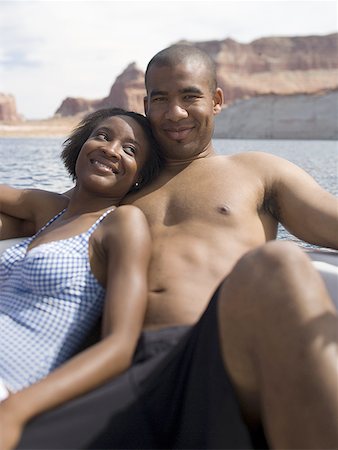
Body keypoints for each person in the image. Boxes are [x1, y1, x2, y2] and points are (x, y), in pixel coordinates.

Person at [2, 45, 338, 449]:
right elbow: (35, 218)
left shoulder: (258, 172)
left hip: (217, 353)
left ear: (216, 100)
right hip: (125, 372)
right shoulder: (119, 190)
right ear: (145, 105)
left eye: (189, 96)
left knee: (277, 264)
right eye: (160, 99)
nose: (174, 113)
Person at [0, 108, 162, 448]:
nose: (111, 149)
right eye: (102, 136)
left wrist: (16, 410)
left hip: (10, 389)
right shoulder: (49, 210)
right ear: (81, 145)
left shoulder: (121, 224)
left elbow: (119, 347)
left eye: (130, 150)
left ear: (139, 177)